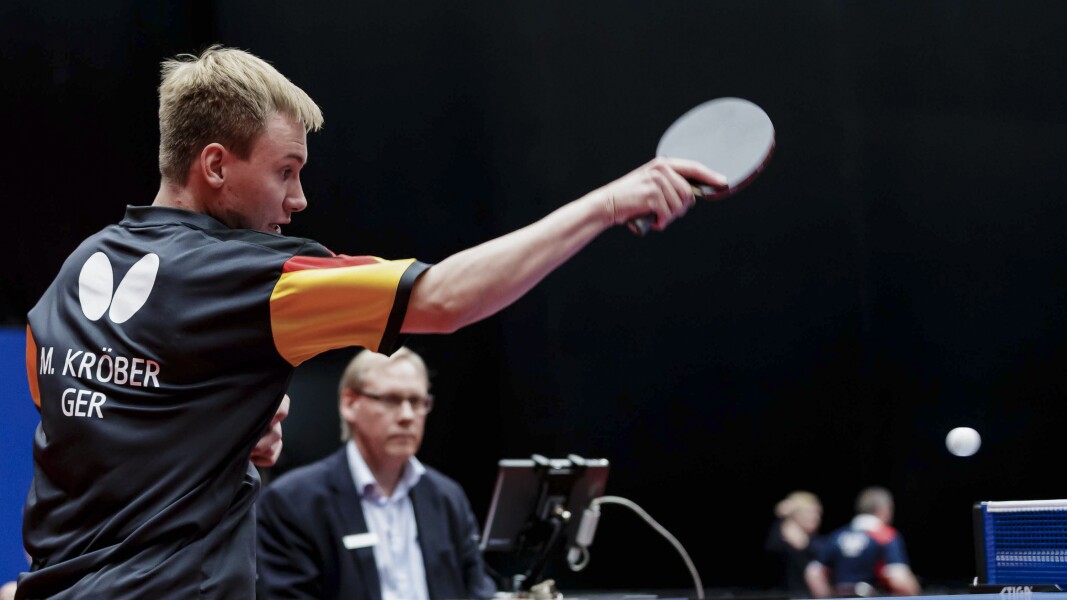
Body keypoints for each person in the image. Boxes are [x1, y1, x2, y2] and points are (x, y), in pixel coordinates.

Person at [19, 44, 724, 599]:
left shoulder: (77, 269)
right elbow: (445, 299)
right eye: (285, 170)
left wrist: (220, 433)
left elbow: (82, 421)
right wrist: (606, 203)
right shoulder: (257, 275)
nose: (298, 199)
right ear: (214, 165)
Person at [255, 347, 497, 600]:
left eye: (416, 402)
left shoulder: (447, 497)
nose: (407, 416)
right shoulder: (292, 502)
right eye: (391, 400)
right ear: (350, 403)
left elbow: (478, 591)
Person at [804, 486, 921, 598]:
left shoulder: (836, 536)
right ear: (884, 510)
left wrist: (826, 597)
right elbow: (898, 578)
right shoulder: (885, 536)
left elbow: (813, 574)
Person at [765, 490, 824, 598]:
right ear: (794, 514)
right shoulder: (779, 540)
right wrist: (782, 519)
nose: (816, 517)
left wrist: (805, 544)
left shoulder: (817, 542)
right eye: (809, 512)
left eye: (818, 513)